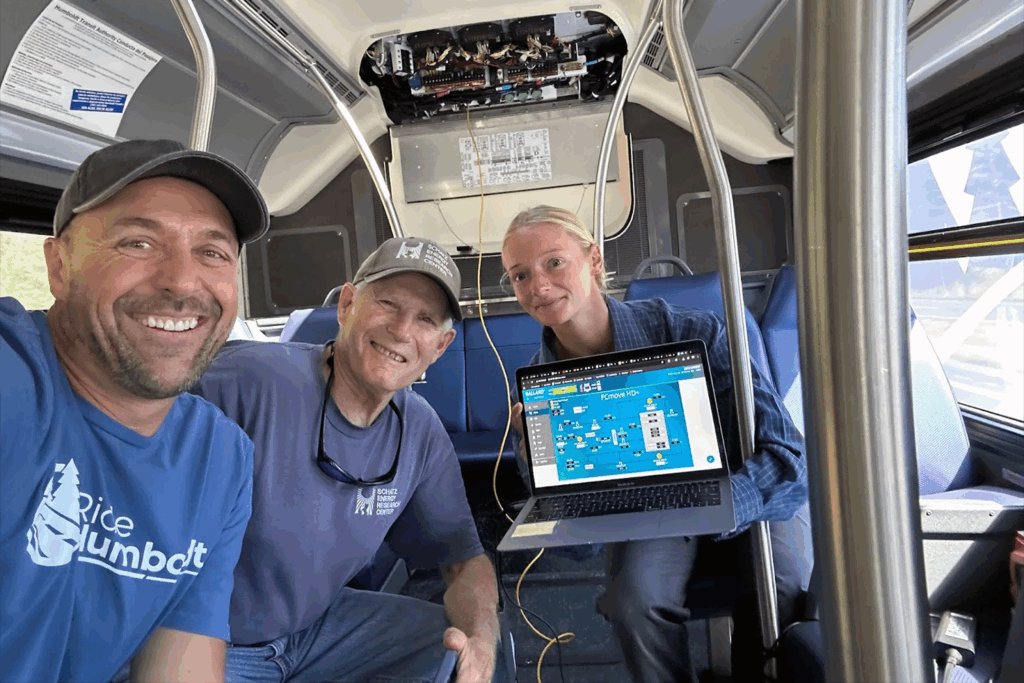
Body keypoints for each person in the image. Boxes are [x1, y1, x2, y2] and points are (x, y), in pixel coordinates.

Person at [501, 205, 812, 683]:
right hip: (647, 513)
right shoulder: (539, 388)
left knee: (780, 585)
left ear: (595, 260)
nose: (538, 285)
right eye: (520, 275)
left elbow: (787, 458)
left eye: (554, 262)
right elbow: (574, 539)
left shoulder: (695, 332)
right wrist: (532, 451)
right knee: (634, 603)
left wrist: (715, 504)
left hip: (735, 485)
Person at [1, 139, 270, 682]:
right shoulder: (15, 378)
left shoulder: (221, 459)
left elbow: (181, 664)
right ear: (58, 266)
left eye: (212, 252)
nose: (182, 281)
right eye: (139, 242)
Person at [191, 236, 508, 683]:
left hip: (318, 629)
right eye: (388, 304)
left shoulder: (419, 428)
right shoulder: (244, 382)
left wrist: (479, 639)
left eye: (424, 319)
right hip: (207, 638)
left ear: (440, 346)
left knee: (471, 644)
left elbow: (463, 562)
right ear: (347, 304)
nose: (401, 329)